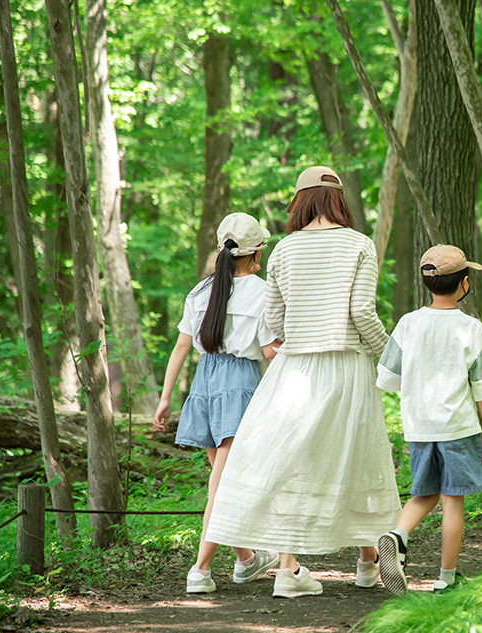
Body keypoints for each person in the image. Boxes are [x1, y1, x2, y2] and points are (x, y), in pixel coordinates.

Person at [204, 166, 402, 599]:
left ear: (300, 201)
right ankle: (368, 564)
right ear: (339, 200)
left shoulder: (285, 250)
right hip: (347, 365)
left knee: (295, 462)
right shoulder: (360, 245)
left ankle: (288, 570)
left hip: (294, 369)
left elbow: (273, 320)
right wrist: (390, 356)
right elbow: (363, 313)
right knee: (358, 455)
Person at [152, 212, 281, 594]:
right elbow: (271, 351)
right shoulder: (263, 291)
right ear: (257, 253)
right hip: (239, 382)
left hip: (203, 382)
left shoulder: (200, 291)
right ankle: (200, 569)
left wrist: (165, 399)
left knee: (221, 483)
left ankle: (245, 560)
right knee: (220, 485)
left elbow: (180, 347)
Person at [375, 245, 482, 595]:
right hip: (459, 428)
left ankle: (397, 535)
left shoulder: (408, 324)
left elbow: (389, 377)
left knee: (423, 493)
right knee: (452, 501)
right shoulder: (472, 329)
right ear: (464, 283)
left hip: (420, 426)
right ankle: (445, 579)